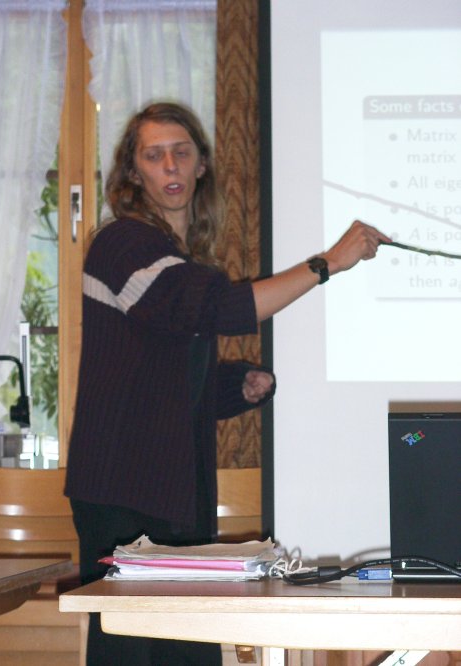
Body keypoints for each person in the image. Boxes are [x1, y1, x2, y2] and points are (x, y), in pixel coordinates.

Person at [64, 101, 391, 666]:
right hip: (123, 493)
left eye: (181, 152)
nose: (170, 165)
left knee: (186, 649)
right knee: (134, 652)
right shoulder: (122, 244)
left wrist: (234, 386)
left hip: (169, 490)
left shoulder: (174, 260)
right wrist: (327, 264)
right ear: (133, 174)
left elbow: (157, 385)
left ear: (201, 165)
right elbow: (216, 308)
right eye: (154, 156)